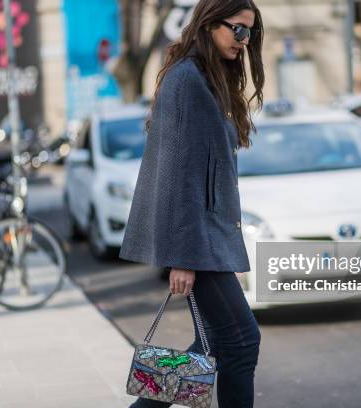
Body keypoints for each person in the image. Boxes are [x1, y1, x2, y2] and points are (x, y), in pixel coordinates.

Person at [119, 0, 265, 406]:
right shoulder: (188, 80)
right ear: (208, 24)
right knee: (241, 342)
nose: (243, 40)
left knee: (213, 344)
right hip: (198, 244)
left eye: (248, 32)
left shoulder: (204, 78)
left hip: (209, 240)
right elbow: (178, 176)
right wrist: (182, 258)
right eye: (237, 29)